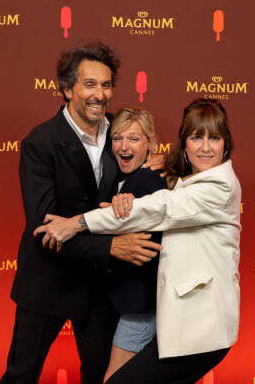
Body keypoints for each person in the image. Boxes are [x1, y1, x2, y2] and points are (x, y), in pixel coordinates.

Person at [36, 98, 242, 383]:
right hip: (180, 322)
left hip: (201, 328)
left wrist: (77, 222)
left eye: (215, 138)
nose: (205, 147)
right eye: (196, 138)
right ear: (183, 145)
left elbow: (160, 207)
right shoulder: (184, 179)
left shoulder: (218, 185)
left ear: (226, 145)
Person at [1, 39, 163, 384]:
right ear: (67, 89)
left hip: (98, 287)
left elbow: (144, 155)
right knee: (21, 375)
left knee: (101, 377)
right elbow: (44, 228)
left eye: (106, 85)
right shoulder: (40, 143)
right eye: (89, 84)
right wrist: (112, 248)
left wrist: (156, 162)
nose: (100, 94)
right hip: (48, 281)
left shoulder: (120, 132)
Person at [101, 108, 167, 382]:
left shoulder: (143, 180)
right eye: (117, 138)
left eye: (133, 138)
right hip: (138, 304)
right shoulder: (132, 179)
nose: (124, 146)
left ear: (151, 143)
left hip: (140, 307)